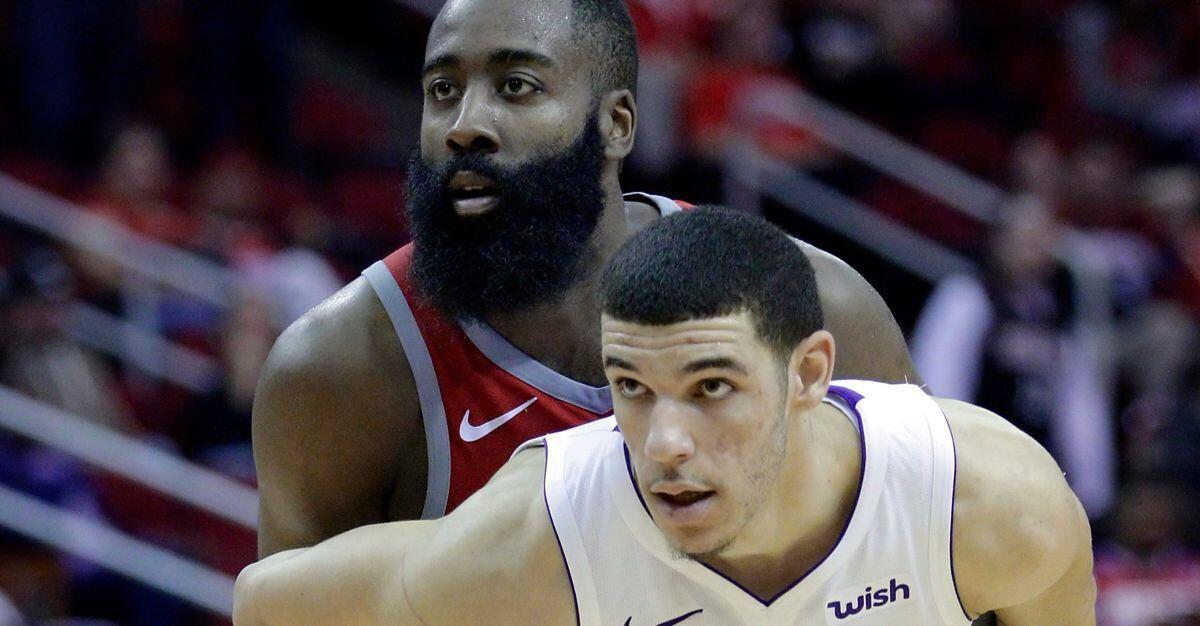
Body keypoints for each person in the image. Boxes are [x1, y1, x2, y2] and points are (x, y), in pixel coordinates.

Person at [252, 0, 919, 561]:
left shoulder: (813, 313)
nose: (464, 126)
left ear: (617, 124)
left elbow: (942, 569)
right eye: (443, 91)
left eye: (516, 86)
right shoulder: (343, 373)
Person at [235, 208, 1096, 625]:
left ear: (810, 373)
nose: (664, 445)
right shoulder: (551, 528)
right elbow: (270, 602)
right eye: (631, 389)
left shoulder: (986, 505)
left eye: (712, 387)